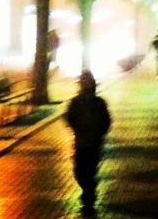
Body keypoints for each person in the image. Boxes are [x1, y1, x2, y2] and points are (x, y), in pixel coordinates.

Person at [65, 69, 111, 216]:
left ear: (92, 84)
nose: (84, 85)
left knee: (90, 171)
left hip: (94, 144)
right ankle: (89, 190)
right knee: (79, 172)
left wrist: (99, 133)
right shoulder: (75, 102)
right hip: (80, 143)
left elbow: (106, 120)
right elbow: (69, 118)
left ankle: (89, 198)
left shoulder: (99, 102)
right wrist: (77, 130)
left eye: (87, 82)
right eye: (82, 82)